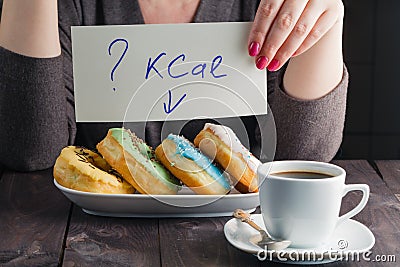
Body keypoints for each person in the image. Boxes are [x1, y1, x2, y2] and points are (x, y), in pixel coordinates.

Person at [0, 0, 347, 171]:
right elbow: (30, 150)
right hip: (79, 239)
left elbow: (302, 159)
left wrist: (325, 21)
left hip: (243, 238)